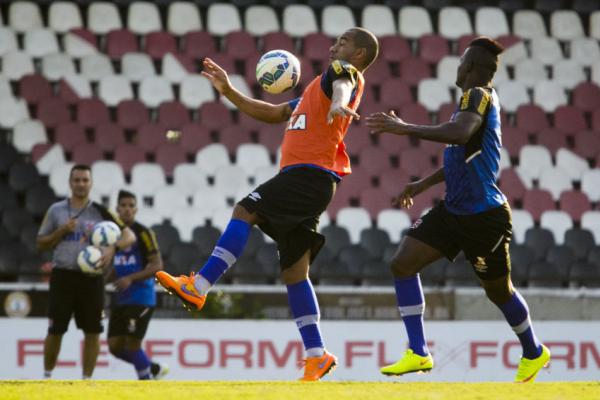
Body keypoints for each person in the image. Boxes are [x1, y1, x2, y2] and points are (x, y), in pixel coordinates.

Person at [156, 27, 379, 381]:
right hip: (315, 180)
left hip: (308, 174)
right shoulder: (315, 90)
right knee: (295, 273)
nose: (334, 46)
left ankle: (198, 286)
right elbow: (274, 113)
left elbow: (344, 83)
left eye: (343, 42)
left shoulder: (342, 73)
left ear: (358, 54)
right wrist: (229, 91)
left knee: (246, 209)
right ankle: (317, 355)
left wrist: (340, 102)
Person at [365, 37, 550, 383]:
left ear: (470, 67)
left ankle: (534, 351)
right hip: (454, 211)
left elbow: (461, 133)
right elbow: (462, 154)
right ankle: (418, 351)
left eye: (462, 61)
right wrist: (421, 184)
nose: (458, 66)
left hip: (485, 217)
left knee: (499, 291)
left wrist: (405, 128)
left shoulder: (477, 95)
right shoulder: (471, 102)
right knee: (402, 264)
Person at [37, 164, 136, 380]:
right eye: (77, 180)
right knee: (55, 330)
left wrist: (112, 248)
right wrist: (61, 231)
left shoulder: (101, 211)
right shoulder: (56, 210)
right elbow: (41, 243)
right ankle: (46, 377)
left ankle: (86, 381)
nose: (81, 184)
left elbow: (129, 236)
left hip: (92, 279)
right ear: (70, 183)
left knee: (93, 331)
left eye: (85, 180)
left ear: (91, 184)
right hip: (63, 275)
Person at [107, 190, 168, 380]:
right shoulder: (112, 233)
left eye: (131, 206)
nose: (127, 209)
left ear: (136, 209)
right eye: (123, 205)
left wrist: (130, 279)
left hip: (141, 297)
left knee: (133, 345)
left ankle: (145, 384)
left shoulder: (144, 233)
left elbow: (157, 265)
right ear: (117, 209)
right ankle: (154, 368)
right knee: (114, 346)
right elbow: (118, 264)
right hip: (121, 298)